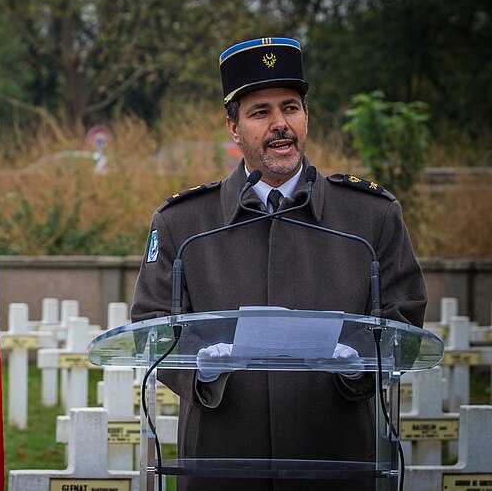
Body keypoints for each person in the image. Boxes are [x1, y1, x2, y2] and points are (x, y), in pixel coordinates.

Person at [130, 37, 427, 491]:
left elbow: (404, 315)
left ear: (307, 116)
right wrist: (200, 368)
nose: (280, 125)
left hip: (335, 459)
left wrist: (360, 363)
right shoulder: (183, 223)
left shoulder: (371, 216)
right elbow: (150, 324)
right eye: (260, 112)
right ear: (233, 127)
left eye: (290, 107)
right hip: (221, 460)